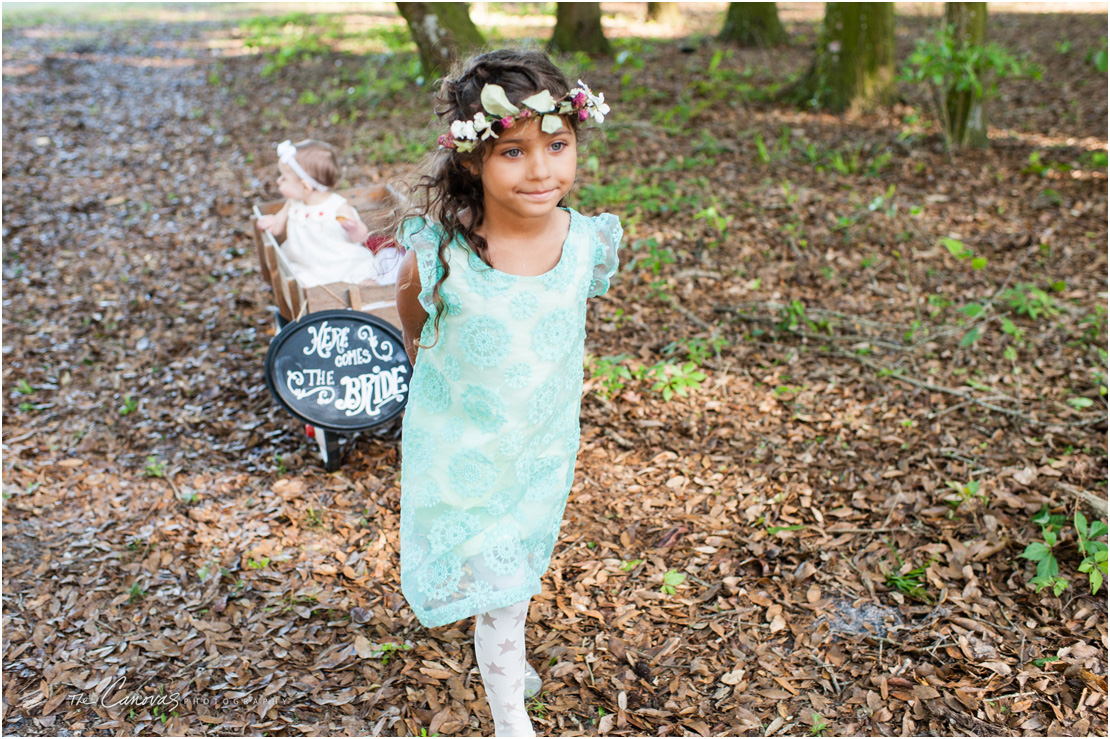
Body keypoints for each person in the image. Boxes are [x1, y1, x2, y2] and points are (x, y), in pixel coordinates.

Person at [393, 49, 619, 737]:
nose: (541, 168)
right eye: (513, 152)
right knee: (505, 590)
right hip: (463, 445)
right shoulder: (443, 256)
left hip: (541, 447)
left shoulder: (585, 244)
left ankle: (503, 646)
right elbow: (414, 324)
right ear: (471, 160)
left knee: (518, 565)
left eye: (556, 145)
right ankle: (510, 716)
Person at [255, 139, 402, 287]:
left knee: (363, 277)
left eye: (284, 178)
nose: (279, 181)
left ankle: (372, 297)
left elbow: (361, 236)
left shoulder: (337, 206)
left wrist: (354, 228)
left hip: (342, 263)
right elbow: (277, 227)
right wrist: (270, 222)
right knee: (299, 282)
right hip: (307, 267)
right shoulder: (292, 204)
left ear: (306, 186)